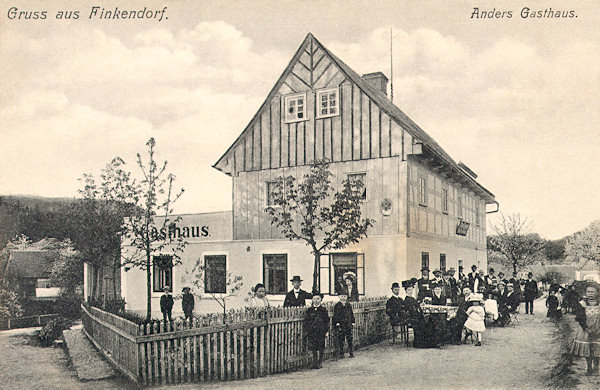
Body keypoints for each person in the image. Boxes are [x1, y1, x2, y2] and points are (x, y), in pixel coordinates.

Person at [572, 284, 600, 375]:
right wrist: (586, 328)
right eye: (588, 292)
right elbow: (579, 317)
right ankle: (589, 367)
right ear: (585, 293)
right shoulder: (582, 304)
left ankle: (596, 367)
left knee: (597, 348)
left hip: (598, 328)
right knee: (587, 348)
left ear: (597, 293)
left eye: (592, 292)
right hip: (585, 329)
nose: (590, 294)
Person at [305, 292, 330, 369]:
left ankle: (320, 362)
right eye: (314, 299)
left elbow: (327, 321)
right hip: (312, 331)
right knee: (313, 347)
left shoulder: (323, 310)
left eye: (318, 299)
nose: (316, 300)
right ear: (312, 300)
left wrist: (326, 331)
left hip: (321, 331)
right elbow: (307, 321)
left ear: (321, 300)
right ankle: (315, 362)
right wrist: (308, 330)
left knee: (321, 346)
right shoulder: (309, 310)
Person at [333, 291, 355, 358]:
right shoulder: (337, 305)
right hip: (341, 325)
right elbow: (336, 315)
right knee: (341, 339)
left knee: (349, 338)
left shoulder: (348, 305)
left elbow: (351, 314)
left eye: (345, 296)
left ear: (347, 297)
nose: (343, 298)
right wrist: (337, 322)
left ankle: (351, 352)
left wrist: (353, 322)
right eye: (342, 296)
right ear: (339, 297)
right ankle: (341, 353)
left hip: (348, 324)